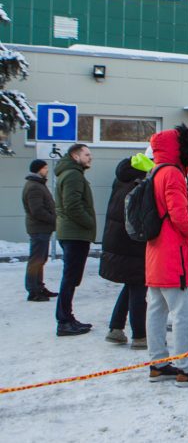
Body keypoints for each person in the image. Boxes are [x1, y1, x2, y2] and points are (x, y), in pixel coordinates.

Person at [145, 124, 188, 386]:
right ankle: (186, 367)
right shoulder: (173, 174)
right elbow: (178, 213)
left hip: (156, 253)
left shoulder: (155, 172)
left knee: (156, 310)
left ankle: (158, 363)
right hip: (174, 254)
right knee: (183, 314)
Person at [99, 158, 148, 349]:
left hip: (117, 242)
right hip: (132, 245)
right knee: (138, 289)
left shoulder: (121, 183)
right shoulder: (137, 188)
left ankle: (116, 328)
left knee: (130, 285)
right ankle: (139, 336)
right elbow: (139, 220)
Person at [54, 143, 96, 337]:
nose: (90, 158)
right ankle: (64, 321)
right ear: (75, 155)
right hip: (75, 234)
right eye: (86, 154)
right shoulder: (73, 175)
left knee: (70, 277)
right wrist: (89, 223)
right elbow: (73, 206)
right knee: (70, 278)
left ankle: (67, 318)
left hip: (71, 232)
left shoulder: (70, 173)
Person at [22, 159, 58, 302]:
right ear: (39, 170)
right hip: (39, 228)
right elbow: (37, 211)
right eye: (45, 168)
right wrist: (53, 219)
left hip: (41, 228)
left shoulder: (37, 185)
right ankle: (33, 291)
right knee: (36, 260)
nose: (47, 170)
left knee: (40, 259)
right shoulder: (34, 187)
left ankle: (39, 287)